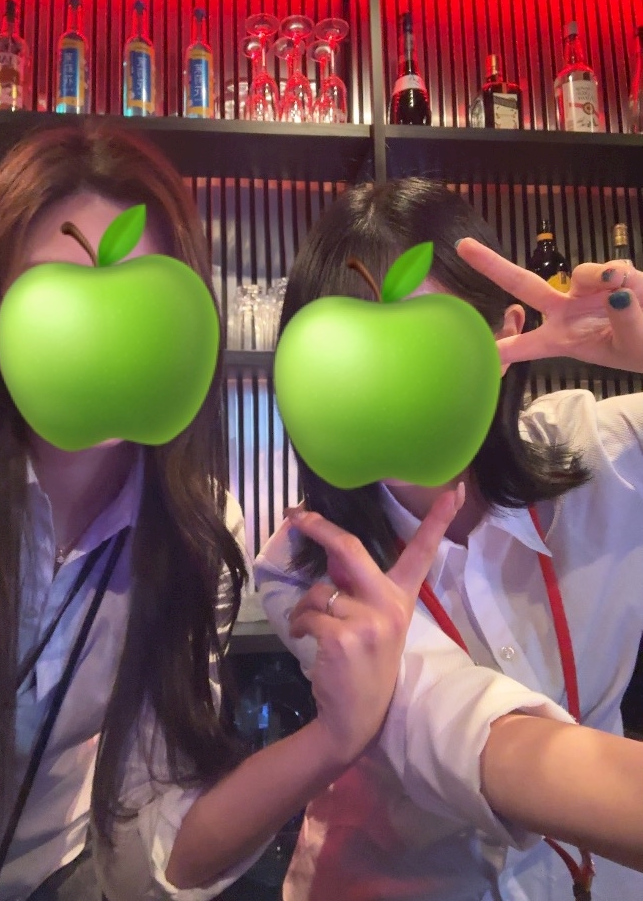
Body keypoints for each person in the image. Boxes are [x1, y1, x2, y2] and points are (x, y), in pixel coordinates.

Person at [0, 125, 465, 901]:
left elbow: (153, 846)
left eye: (143, 300)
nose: (105, 332)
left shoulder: (199, 531)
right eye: (59, 294)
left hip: (58, 872)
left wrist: (337, 736)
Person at [254, 177, 643, 900]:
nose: (393, 387)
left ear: (508, 335)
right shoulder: (303, 565)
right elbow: (462, 729)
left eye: (429, 347)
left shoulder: (606, 453)